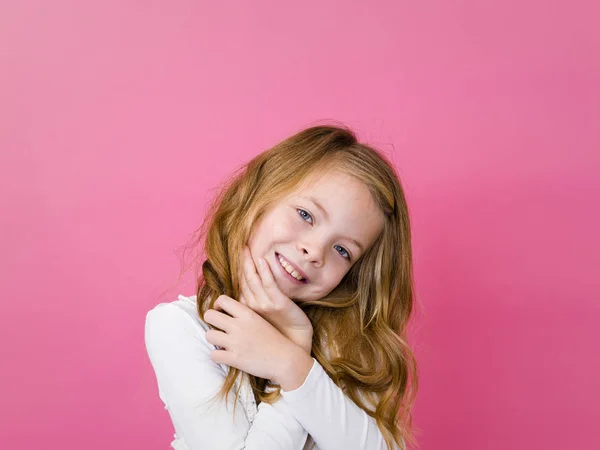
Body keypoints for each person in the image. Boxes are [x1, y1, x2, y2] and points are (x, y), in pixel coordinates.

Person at [144, 124, 419, 450]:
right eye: (305, 214)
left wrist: (294, 363)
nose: (315, 251)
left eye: (342, 250)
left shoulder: (346, 343)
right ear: (258, 196)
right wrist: (291, 362)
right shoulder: (181, 327)